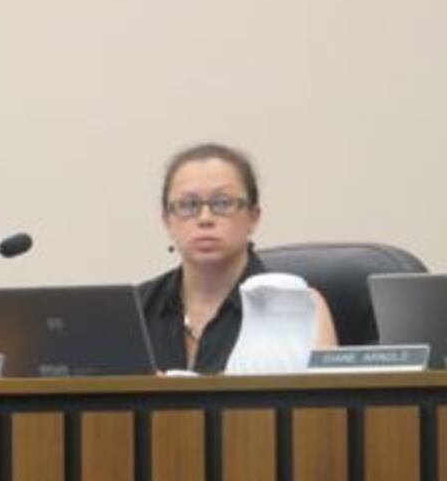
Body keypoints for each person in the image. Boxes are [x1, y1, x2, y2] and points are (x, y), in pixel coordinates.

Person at [139, 143, 337, 373]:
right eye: (187, 205)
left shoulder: (300, 307)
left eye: (222, 203)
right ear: (167, 221)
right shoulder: (134, 312)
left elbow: (323, 407)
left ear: (253, 217)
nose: (205, 218)